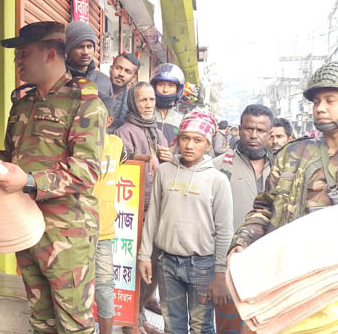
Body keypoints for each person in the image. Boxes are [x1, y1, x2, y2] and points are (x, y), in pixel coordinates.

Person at [0, 21, 107, 334]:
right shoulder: (22, 103)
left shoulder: (84, 103)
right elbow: (10, 155)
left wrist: (28, 181)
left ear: (51, 54)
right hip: (26, 225)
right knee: (41, 321)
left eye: (24, 53)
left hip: (67, 233)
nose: (17, 61)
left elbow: (86, 170)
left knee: (75, 326)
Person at [227, 62, 338, 333]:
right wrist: (242, 241)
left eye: (329, 100)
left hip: (328, 295)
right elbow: (264, 206)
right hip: (281, 284)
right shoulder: (293, 153)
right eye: (316, 101)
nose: (320, 107)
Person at [138, 109, 233, 334]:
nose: (190, 145)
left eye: (197, 140)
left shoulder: (217, 180)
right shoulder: (164, 172)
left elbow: (224, 230)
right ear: (178, 140)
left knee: (201, 327)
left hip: (202, 266)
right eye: (185, 138)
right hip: (167, 263)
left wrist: (220, 273)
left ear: (208, 145)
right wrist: (144, 255)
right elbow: (153, 215)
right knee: (173, 326)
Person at [212, 104, 274, 334]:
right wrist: (217, 273)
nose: (254, 136)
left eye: (260, 130)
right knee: (228, 327)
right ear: (239, 129)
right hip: (231, 266)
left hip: (270, 267)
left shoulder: (283, 171)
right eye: (249, 129)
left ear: (269, 133)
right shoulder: (219, 167)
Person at [114, 82, 169, 334]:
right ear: (133, 103)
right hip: (136, 210)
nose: (148, 105)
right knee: (137, 266)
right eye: (143, 100)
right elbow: (121, 158)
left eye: (151, 99)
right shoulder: (125, 131)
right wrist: (145, 157)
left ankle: (140, 316)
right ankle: (130, 323)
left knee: (153, 268)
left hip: (158, 208)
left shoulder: (157, 130)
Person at [93, 104, 127, 334]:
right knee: (77, 286)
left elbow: (127, 157)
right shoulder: (73, 142)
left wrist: (148, 157)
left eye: (98, 118)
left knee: (105, 286)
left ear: (109, 121)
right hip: (74, 228)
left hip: (103, 229)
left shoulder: (116, 144)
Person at [65, 21, 114, 103]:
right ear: (69, 49)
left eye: (89, 46)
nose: (86, 52)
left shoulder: (104, 81)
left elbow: (109, 114)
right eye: (80, 47)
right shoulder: (59, 79)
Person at [151, 63, 185, 147]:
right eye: (161, 85)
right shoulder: (145, 114)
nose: (165, 90)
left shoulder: (182, 119)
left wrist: (172, 156)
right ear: (154, 87)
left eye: (171, 85)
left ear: (178, 89)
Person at [108, 53, 141, 133]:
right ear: (111, 69)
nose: (121, 74)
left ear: (133, 78)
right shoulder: (96, 90)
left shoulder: (132, 104)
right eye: (118, 68)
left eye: (127, 72)